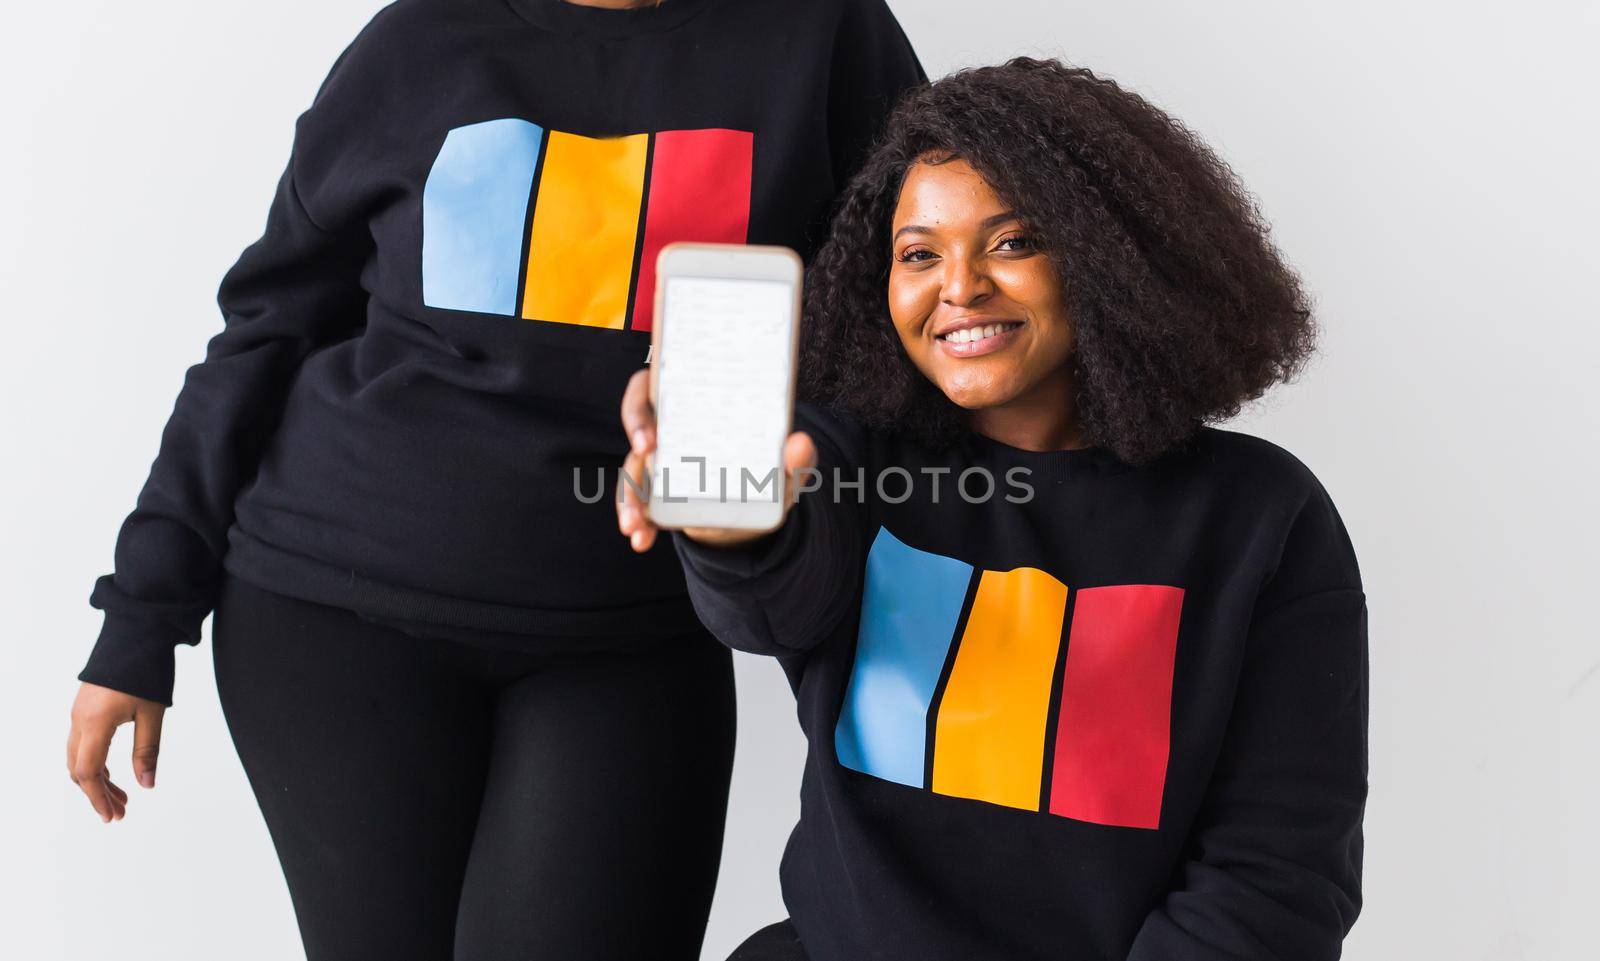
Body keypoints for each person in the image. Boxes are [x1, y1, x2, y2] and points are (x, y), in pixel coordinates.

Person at [64, 1, 922, 958]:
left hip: (631, 631)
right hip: (332, 612)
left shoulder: (823, 32)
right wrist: (141, 615)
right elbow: (267, 328)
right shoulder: (420, 38)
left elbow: (900, 316)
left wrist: (789, 467)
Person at [618, 57, 1368, 961]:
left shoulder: (1260, 518)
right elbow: (773, 601)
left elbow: (1274, 882)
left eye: (1013, 242)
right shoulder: (857, 460)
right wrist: (731, 527)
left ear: (1106, 256)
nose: (960, 285)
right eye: (918, 253)